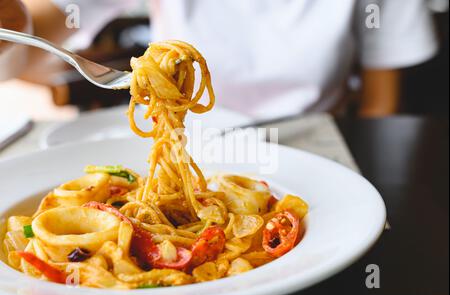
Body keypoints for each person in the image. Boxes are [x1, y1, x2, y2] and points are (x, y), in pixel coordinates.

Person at [0, 0, 438, 118]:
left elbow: (383, 105)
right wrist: (13, 25)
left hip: (318, 136)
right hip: (188, 134)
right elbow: (34, 31)